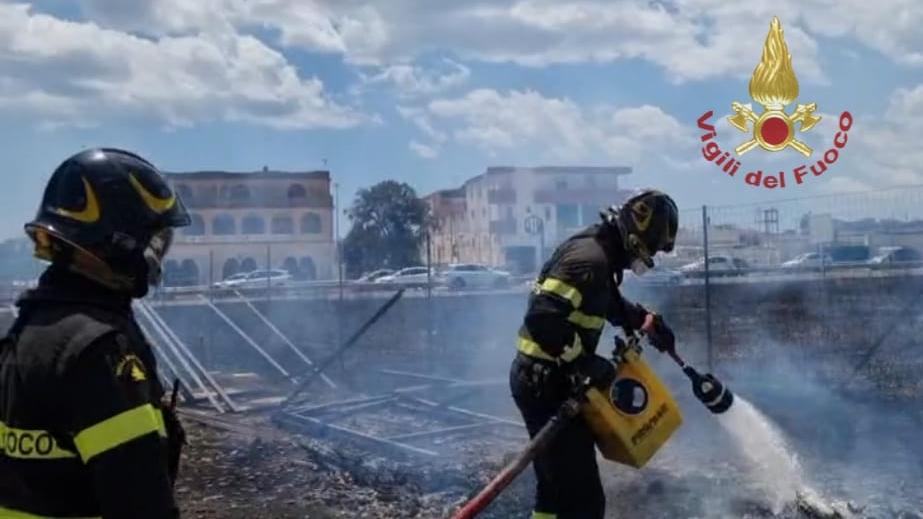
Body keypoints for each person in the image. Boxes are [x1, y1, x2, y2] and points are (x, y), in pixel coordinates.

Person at [0, 148, 191, 518]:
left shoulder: (28, 333)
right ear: (120, 240)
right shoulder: (100, 350)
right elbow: (139, 500)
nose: (156, 255)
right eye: (155, 241)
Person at [509, 189, 679, 519]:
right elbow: (542, 317)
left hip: (544, 379)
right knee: (583, 503)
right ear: (634, 236)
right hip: (545, 385)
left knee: (554, 491)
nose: (643, 259)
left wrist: (643, 319)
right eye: (648, 248)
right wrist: (582, 361)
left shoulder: (602, 254)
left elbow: (601, 302)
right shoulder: (590, 259)